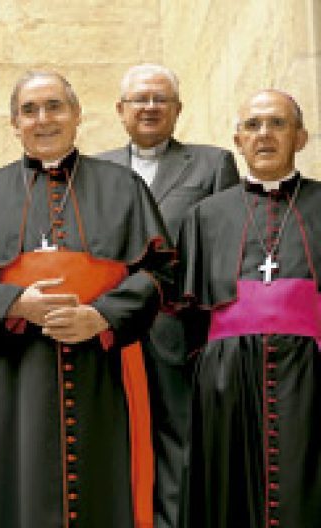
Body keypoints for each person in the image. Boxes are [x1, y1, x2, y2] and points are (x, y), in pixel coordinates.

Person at [0, 71, 174, 528]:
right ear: (14, 123)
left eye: (54, 106)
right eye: (29, 110)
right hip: (14, 377)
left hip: (105, 370)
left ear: (76, 115)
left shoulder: (124, 186)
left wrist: (102, 315)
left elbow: (161, 273)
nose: (43, 119)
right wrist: (15, 304)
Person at [96, 63, 240, 528]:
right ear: (121, 110)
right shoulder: (98, 170)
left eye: (161, 99)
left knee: (178, 439)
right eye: (140, 99)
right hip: (109, 329)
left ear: (178, 109)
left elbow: (226, 243)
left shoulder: (212, 164)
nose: (150, 107)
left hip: (177, 329)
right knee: (115, 436)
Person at [177, 90, 321, 528]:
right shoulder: (204, 216)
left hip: (310, 378)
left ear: (300, 137)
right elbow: (189, 319)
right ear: (237, 140)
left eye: (277, 124)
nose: (264, 134)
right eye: (253, 125)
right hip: (225, 384)